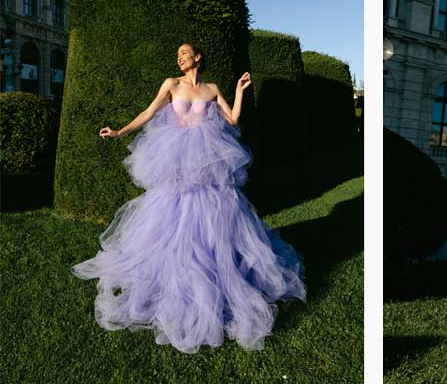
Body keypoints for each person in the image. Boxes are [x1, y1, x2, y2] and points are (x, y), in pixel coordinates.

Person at [72, 43, 306, 354]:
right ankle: (170, 274)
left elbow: (233, 120)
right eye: (178, 54)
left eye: (185, 53)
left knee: (213, 219)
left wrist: (239, 90)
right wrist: (120, 131)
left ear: (197, 58)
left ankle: (214, 273)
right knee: (169, 215)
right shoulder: (171, 84)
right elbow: (149, 111)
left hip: (207, 164)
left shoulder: (211, 88)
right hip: (177, 162)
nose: (180, 56)